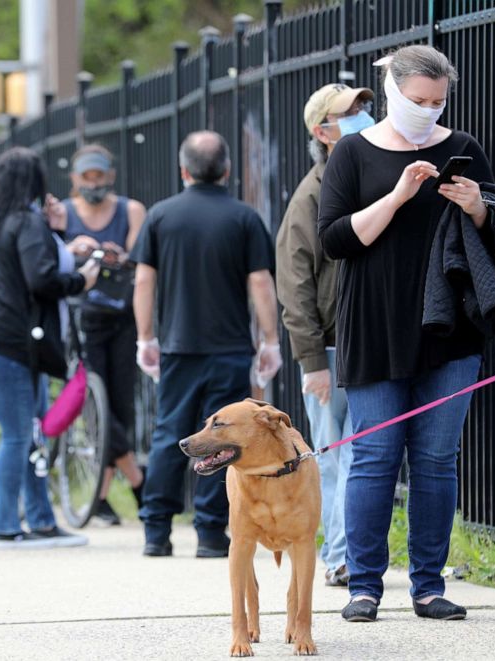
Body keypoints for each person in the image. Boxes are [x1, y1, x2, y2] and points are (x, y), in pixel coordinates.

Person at [318, 45, 495, 622]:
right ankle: (364, 585)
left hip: (449, 326)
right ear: (393, 92)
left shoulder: (462, 147)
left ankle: (427, 584)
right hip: (374, 323)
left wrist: (477, 208)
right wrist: (396, 196)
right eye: (418, 100)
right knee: (373, 454)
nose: (427, 110)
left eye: (438, 101)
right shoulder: (352, 152)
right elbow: (336, 241)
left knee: (437, 458)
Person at [131, 130, 281, 558]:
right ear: (227, 170)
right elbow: (260, 282)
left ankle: (156, 531)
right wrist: (269, 340)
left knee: (169, 432)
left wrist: (146, 336)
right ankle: (212, 532)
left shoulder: (160, 216)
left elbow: (144, 279)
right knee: (226, 438)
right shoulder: (245, 218)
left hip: (178, 346)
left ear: (184, 170)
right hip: (231, 347)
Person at [0, 146, 99, 549]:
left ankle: (40, 520)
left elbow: (31, 268)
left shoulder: (0, 222)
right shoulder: (24, 222)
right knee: (19, 435)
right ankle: (7, 526)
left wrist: (55, 231)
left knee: (32, 432)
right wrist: (81, 281)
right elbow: (41, 279)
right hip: (5, 341)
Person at [276, 83, 374, 587]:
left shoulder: (358, 178)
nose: (362, 115)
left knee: (358, 455)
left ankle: (347, 554)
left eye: (364, 106)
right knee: (336, 457)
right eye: (348, 112)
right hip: (330, 351)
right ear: (322, 131)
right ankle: (340, 557)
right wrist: (312, 360)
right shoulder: (312, 195)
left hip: (363, 344)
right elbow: (293, 286)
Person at [63, 144, 147, 525]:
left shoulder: (130, 210)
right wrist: (73, 249)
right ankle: (136, 479)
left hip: (122, 315)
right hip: (82, 319)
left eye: (99, 176)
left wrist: (116, 255)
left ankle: (99, 498)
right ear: (75, 179)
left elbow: (141, 259)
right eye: (86, 177)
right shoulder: (63, 214)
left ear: (110, 175)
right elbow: (47, 260)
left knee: (121, 404)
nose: (93, 184)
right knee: (92, 402)